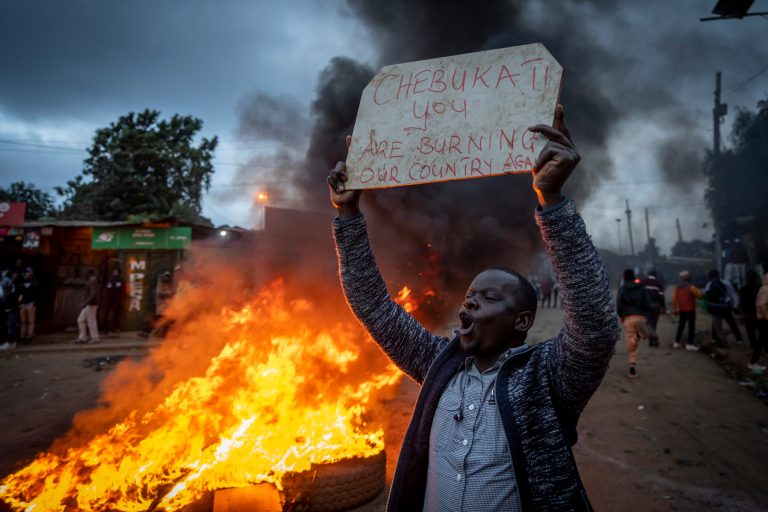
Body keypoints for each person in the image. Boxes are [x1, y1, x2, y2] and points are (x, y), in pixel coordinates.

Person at [328, 105, 620, 511]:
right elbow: (374, 306)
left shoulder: (546, 380)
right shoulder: (439, 365)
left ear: (521, 321)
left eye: (487, 298)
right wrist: (348, 215)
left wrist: (551, 201)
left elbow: (595, 326)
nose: (468, 305)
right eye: (468, 298)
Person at [616, 268, 652, 378]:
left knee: (630, 345)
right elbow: (648, 303)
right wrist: (645, 314)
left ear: (624, 277)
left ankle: (637, 336)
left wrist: (621, 315)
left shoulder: (622, 289)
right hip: (641, 318)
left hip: (629, 318)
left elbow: (619, 305)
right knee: (633, 345)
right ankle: (632, 369)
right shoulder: (642, 288)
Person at [703, 269, 744, 348]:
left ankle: (714, 339)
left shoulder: (710, 283)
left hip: (715, 306)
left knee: (715, 323)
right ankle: (739, 339)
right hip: (725, 305)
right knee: (731, 322)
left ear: (710, 277)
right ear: (719, 275)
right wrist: (736, 305)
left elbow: (705, 293)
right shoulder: (725, 283)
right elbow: (733, 294)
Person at [671, 270, 702, 351]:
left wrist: (674, 310)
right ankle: (689, 344)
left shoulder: (677, 287)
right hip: (690, 309)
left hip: (682, 309)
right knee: (691, 327)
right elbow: (699, 295)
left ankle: (676, 342)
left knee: (681, 326)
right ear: (688, 278)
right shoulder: (691, 287)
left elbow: (674, 300)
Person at [75, 270, 101, 344]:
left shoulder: (92, 281)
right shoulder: (93, 281)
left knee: (91, 321)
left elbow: (93, 294)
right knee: (81, 320)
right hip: (89, 304)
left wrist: (84, 303)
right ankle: (83, 337)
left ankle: (95, 338)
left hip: (91, 304)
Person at [641, 269, 665, 347]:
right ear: (655, 275)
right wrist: (663, 307)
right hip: (656, 306)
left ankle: (653, 337)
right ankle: (652, 340)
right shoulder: (659, 283)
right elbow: (661, 297)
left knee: (647, 322)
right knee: (654, 323)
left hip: (646, 306)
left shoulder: (643, 281)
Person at [750, 272, 768, 372]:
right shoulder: (766, 290)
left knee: (761, 341)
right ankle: (753, 363)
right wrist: (767, 317)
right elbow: (762, 305)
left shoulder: (763, 288)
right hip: (763, 319)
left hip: (760, 318)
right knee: (760, 342)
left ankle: (753, 362)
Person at [102, 268, 125, 334]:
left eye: (116, 271)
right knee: (106, 314)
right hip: (109, 299)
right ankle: (106, 329)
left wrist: (121, 300)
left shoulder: (121, 280)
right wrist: (105, 298)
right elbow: (107, 289)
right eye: (114, 271)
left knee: (116, 315)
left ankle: (115, 328)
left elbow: (122, 291)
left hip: (116, 299)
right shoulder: (110, 280)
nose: (115, 272)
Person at [18, 269, 39, 341]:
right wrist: (19, 303)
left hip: (31, 304)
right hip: (23, 304)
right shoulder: (20, 286)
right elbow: (19, 295)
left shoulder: (34, 285)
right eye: (25, 275)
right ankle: (22, 335)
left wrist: (34, 304)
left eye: (28, 275)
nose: (26, 276)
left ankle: (29, 335)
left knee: (31, 321)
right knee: (23, 321)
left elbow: (37, 296)